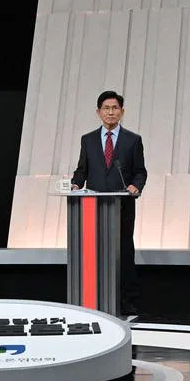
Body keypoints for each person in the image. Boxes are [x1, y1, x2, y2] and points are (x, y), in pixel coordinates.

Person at [71, 90, 148, 317]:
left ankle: (126, 302)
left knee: (123, 252)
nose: (111, 112)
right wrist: (75, 185)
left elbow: (140, 172)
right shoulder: (88, 139)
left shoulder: (133, 140)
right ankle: (92, 299)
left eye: (115, 108)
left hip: (121, 206)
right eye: (106, 108)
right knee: (94, 252)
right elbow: (81, 170)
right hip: (92, 207)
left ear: (122, 112)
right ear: (98, 112)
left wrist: (136, 186)